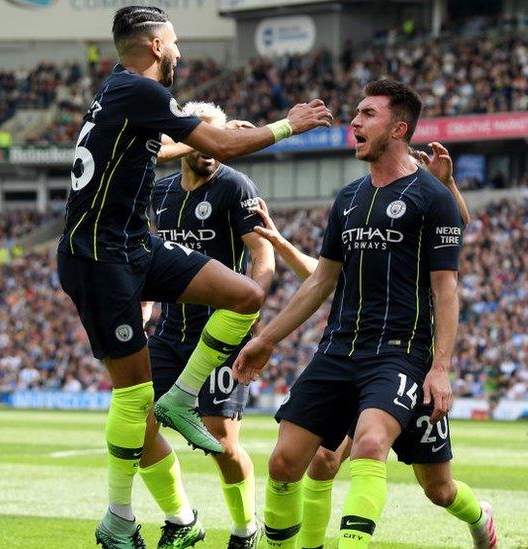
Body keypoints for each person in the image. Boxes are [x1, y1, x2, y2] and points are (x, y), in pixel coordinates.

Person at [54, 6, 331, 548]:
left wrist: (212, 137)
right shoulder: (142, 92)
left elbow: (171, 146)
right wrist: (286, 125)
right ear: (156, 46)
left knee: (246, 294)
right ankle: (120, 518)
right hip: (99, 261)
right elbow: (222, 148)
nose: (179, 51)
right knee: (133, 401)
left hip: (134, 247)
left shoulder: (119, 90)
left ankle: (182, 397)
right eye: (174, 42)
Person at [233, 79, 497, 549]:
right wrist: (268, 338)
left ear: (399, 128)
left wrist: (440, 368)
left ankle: (481, 520)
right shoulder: (348, 199)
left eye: (367, 114)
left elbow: (446, 288)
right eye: (355, 113)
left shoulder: (432, 196)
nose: (353, 121)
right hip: (339, 349)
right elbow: (320, 280)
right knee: (284, 463)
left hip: (401, 354)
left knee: (432, 484)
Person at [139, 101, 274, 549]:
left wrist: (250, 311)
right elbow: (145, 260)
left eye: (220, 141)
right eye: (206, 139)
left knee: (221, 441)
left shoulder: (236, 187)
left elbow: (261, 255)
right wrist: (142, 308)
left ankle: (244, 529)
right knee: (136, 427)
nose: (213, 150)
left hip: (218, 339)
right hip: (170, 335)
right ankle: (182, 519)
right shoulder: (160, 194)